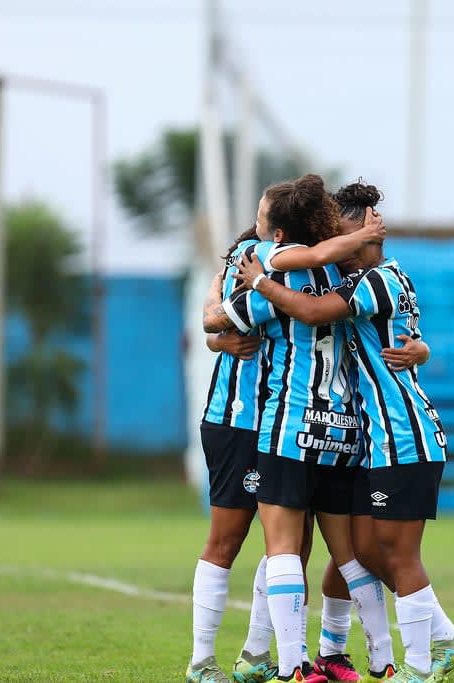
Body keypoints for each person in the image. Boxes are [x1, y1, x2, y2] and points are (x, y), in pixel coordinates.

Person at [233, 181, 454, 683]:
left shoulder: (376, 281)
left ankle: (420, 662)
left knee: (395, 555)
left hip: (403, 435)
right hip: (374, 439)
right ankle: (374, 648)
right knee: (363, 551)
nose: (333, 245)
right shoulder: (377, 279)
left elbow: (315, 312)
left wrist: (257, 282)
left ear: (365, 225)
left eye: (340, 231)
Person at [187, 174, 386, 683]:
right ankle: (202, 661)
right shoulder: (258, 258)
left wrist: (217, 324)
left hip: (287, 423)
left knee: (292, 545)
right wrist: (217, 334)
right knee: (230, 539)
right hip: (239, 417)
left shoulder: (290, 267)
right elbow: (215, 322)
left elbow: (218, 319)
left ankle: (258, 655)